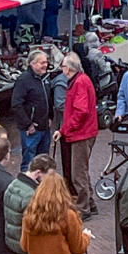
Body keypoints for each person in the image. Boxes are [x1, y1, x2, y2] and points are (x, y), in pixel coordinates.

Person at [53, 52, 99, 219]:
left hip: (81, 134)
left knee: (77, 173)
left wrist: (65, 129)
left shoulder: (79, 83)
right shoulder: (81, 80)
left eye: (63, 66)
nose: (61, 69)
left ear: (68, 69)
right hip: (84, 132)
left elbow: (80, 111)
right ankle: (90, 203)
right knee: (82, 171)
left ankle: (83, 208)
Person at [20, 175, 93, 254]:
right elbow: (78, 248)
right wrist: (86, 236)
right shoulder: (68, 215)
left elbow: (24, 246)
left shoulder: (30, 216)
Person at [4, 154, 58, 254]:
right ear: (38, 173)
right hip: (28, 253)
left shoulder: (13, 184)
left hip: (14, 248)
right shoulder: (32, 196)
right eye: (48, 176)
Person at [11, 49, 52, 172]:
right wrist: (28, 124)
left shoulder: (45, 79)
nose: (45, 65)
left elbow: (48, 100)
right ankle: (27, 188)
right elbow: (16, 104)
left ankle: (42, 188)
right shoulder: (24, 80)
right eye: (42, 63)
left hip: (45, 128)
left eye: (46, 62)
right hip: (31, 130)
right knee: (28, 163)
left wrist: (50, 117)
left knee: (44, 162)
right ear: (32, 64)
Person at [50, 63, 76, 196]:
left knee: (72, 159)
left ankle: (71, 186)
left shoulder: (74, 80)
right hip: (65, 126)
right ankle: (69, 187)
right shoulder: (61, 82)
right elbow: (60, 104)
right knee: (68, 159)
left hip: (70, 125)